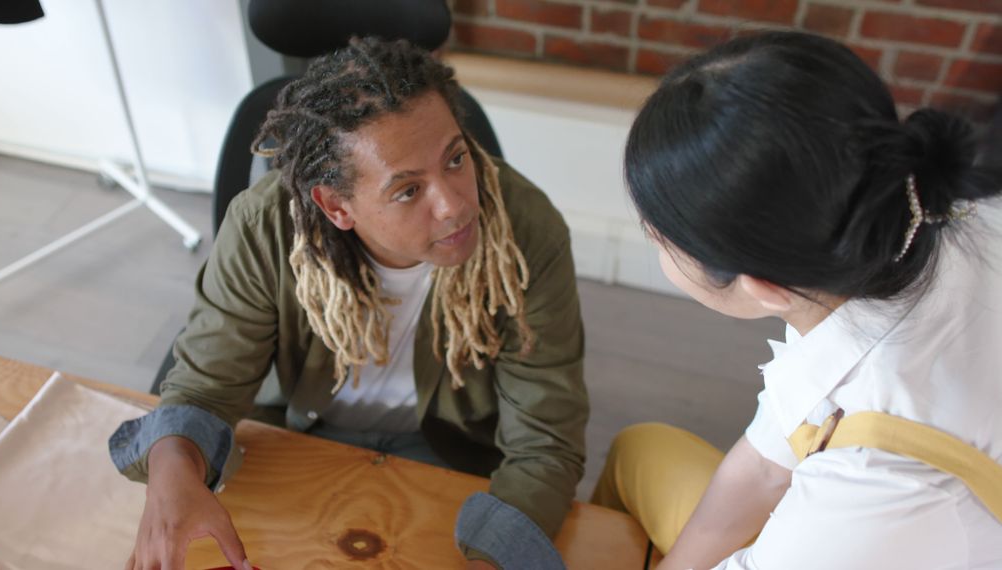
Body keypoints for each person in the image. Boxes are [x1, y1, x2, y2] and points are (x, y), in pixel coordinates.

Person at [108, 37, 588, 570]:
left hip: (449, 454)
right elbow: (204, 386)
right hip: (295, 439)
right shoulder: (264, 227)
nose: (454, 205)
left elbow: (544, 444)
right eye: (407, 191)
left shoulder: (524, 231)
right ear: (336, 206)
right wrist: (173, 463)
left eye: (456, 158)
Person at [592, 31, 1002, 569]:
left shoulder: (876, 490)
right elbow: (764, 464)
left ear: (763, 285)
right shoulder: (941, 219)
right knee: (639, 450)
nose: (652, 236)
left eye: (657, 234)